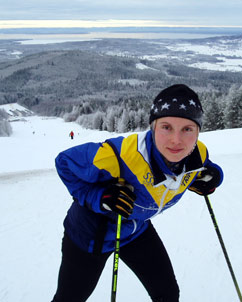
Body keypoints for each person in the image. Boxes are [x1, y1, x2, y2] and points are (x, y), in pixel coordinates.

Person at [51, 84, 223, 302]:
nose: (176, 140)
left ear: (198, 131)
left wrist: (215, 176)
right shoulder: (120, 155)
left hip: (135, 230)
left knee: (168, 294)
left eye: (187, 129)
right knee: (69, 298)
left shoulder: (197, 153)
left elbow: (206, 166)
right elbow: (64, 163)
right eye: (166, 127)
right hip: (90, 236)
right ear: (152, 127)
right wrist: (100, 197)